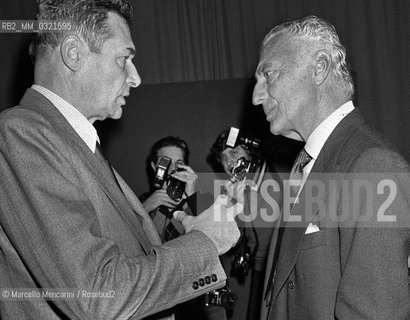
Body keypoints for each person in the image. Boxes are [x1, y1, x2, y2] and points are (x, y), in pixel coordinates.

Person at [0, 1, 243, 319]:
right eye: (124, 59)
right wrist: (205, 243)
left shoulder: (72, 143)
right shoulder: (22, 131)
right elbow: (97, 296)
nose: (136, 77)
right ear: (74, 53)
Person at [252, 16, 410, 319]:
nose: (256, 96)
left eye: (268, 75)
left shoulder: (372, 166)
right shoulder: (312, 163)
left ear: (319, 67)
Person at [141, 136, 227, 320]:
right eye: (166, 162)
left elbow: (221, 238)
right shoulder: (139, 204)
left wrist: (194, 196)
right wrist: (145, 208)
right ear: (155, 168)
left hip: (196, 303)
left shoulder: (202, 202)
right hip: (156, 301)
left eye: (179, 163)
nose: (173, 169)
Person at [211, 129, 281, 320]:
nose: (228, 163)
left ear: (252, 153)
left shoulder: (273, 183)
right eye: (223, 157)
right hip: (255, 265)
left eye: (234, 153)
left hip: (272, 269)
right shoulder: (241, 184)